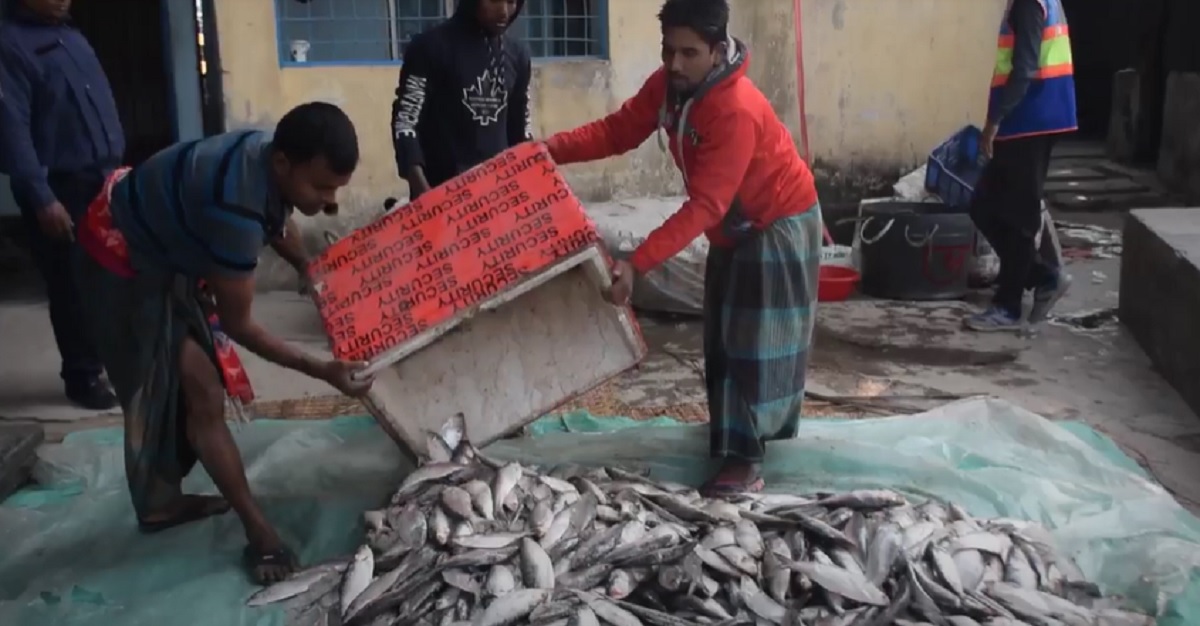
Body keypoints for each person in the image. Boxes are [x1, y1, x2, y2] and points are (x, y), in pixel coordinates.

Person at [72, 102, 375, 585]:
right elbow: (242, 326)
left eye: (335, 189)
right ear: (282, 164)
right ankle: (255, 531)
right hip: (121, 259)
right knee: (198, 392)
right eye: (320, 188)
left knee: (196, 388)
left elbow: (276, 220)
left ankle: (164, 501)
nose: (328, 202)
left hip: (162, 236)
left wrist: (312, 268)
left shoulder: (264, 154)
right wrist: (326, 370)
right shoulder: (234, 213)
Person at [543, 0, 823, 496]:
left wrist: (638, 263)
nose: (674, 63)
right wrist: (548, 151)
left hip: (775, 222)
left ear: (718, 51)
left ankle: (747, 462)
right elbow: (618, 130)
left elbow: (706, 205)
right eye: (667, 50)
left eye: (688, 53)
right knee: (720, 333)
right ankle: (733, 440)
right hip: (733, 223)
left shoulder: (734, 108)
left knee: (752, 341)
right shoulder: (670, 85)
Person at [0, 0, 121, 409]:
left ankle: (110, 362)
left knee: (108, 276)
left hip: (102, 177)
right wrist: (42, 198)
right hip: (60, 185)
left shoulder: (70, 35)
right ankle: (83, 376)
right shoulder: (10, 45)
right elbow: (11, 130)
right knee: (71, 283)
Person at [965, 0, 1076, 332]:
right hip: (1027, 120)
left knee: (1017, 217)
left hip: (1030, 121)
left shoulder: (1029, 3)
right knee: (984, 205)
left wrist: (995, 121)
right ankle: (1042, 276)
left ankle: (1008, 307)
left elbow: (1025, 67)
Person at [391, 0, 532, 201]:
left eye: (511, 2)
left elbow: (521, 131)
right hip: (440, 196)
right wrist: (425, 195)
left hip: (497, 200)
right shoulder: (430, 47)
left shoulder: (517, 55)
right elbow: (406, 123)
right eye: (493, 0)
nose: (504, 11)